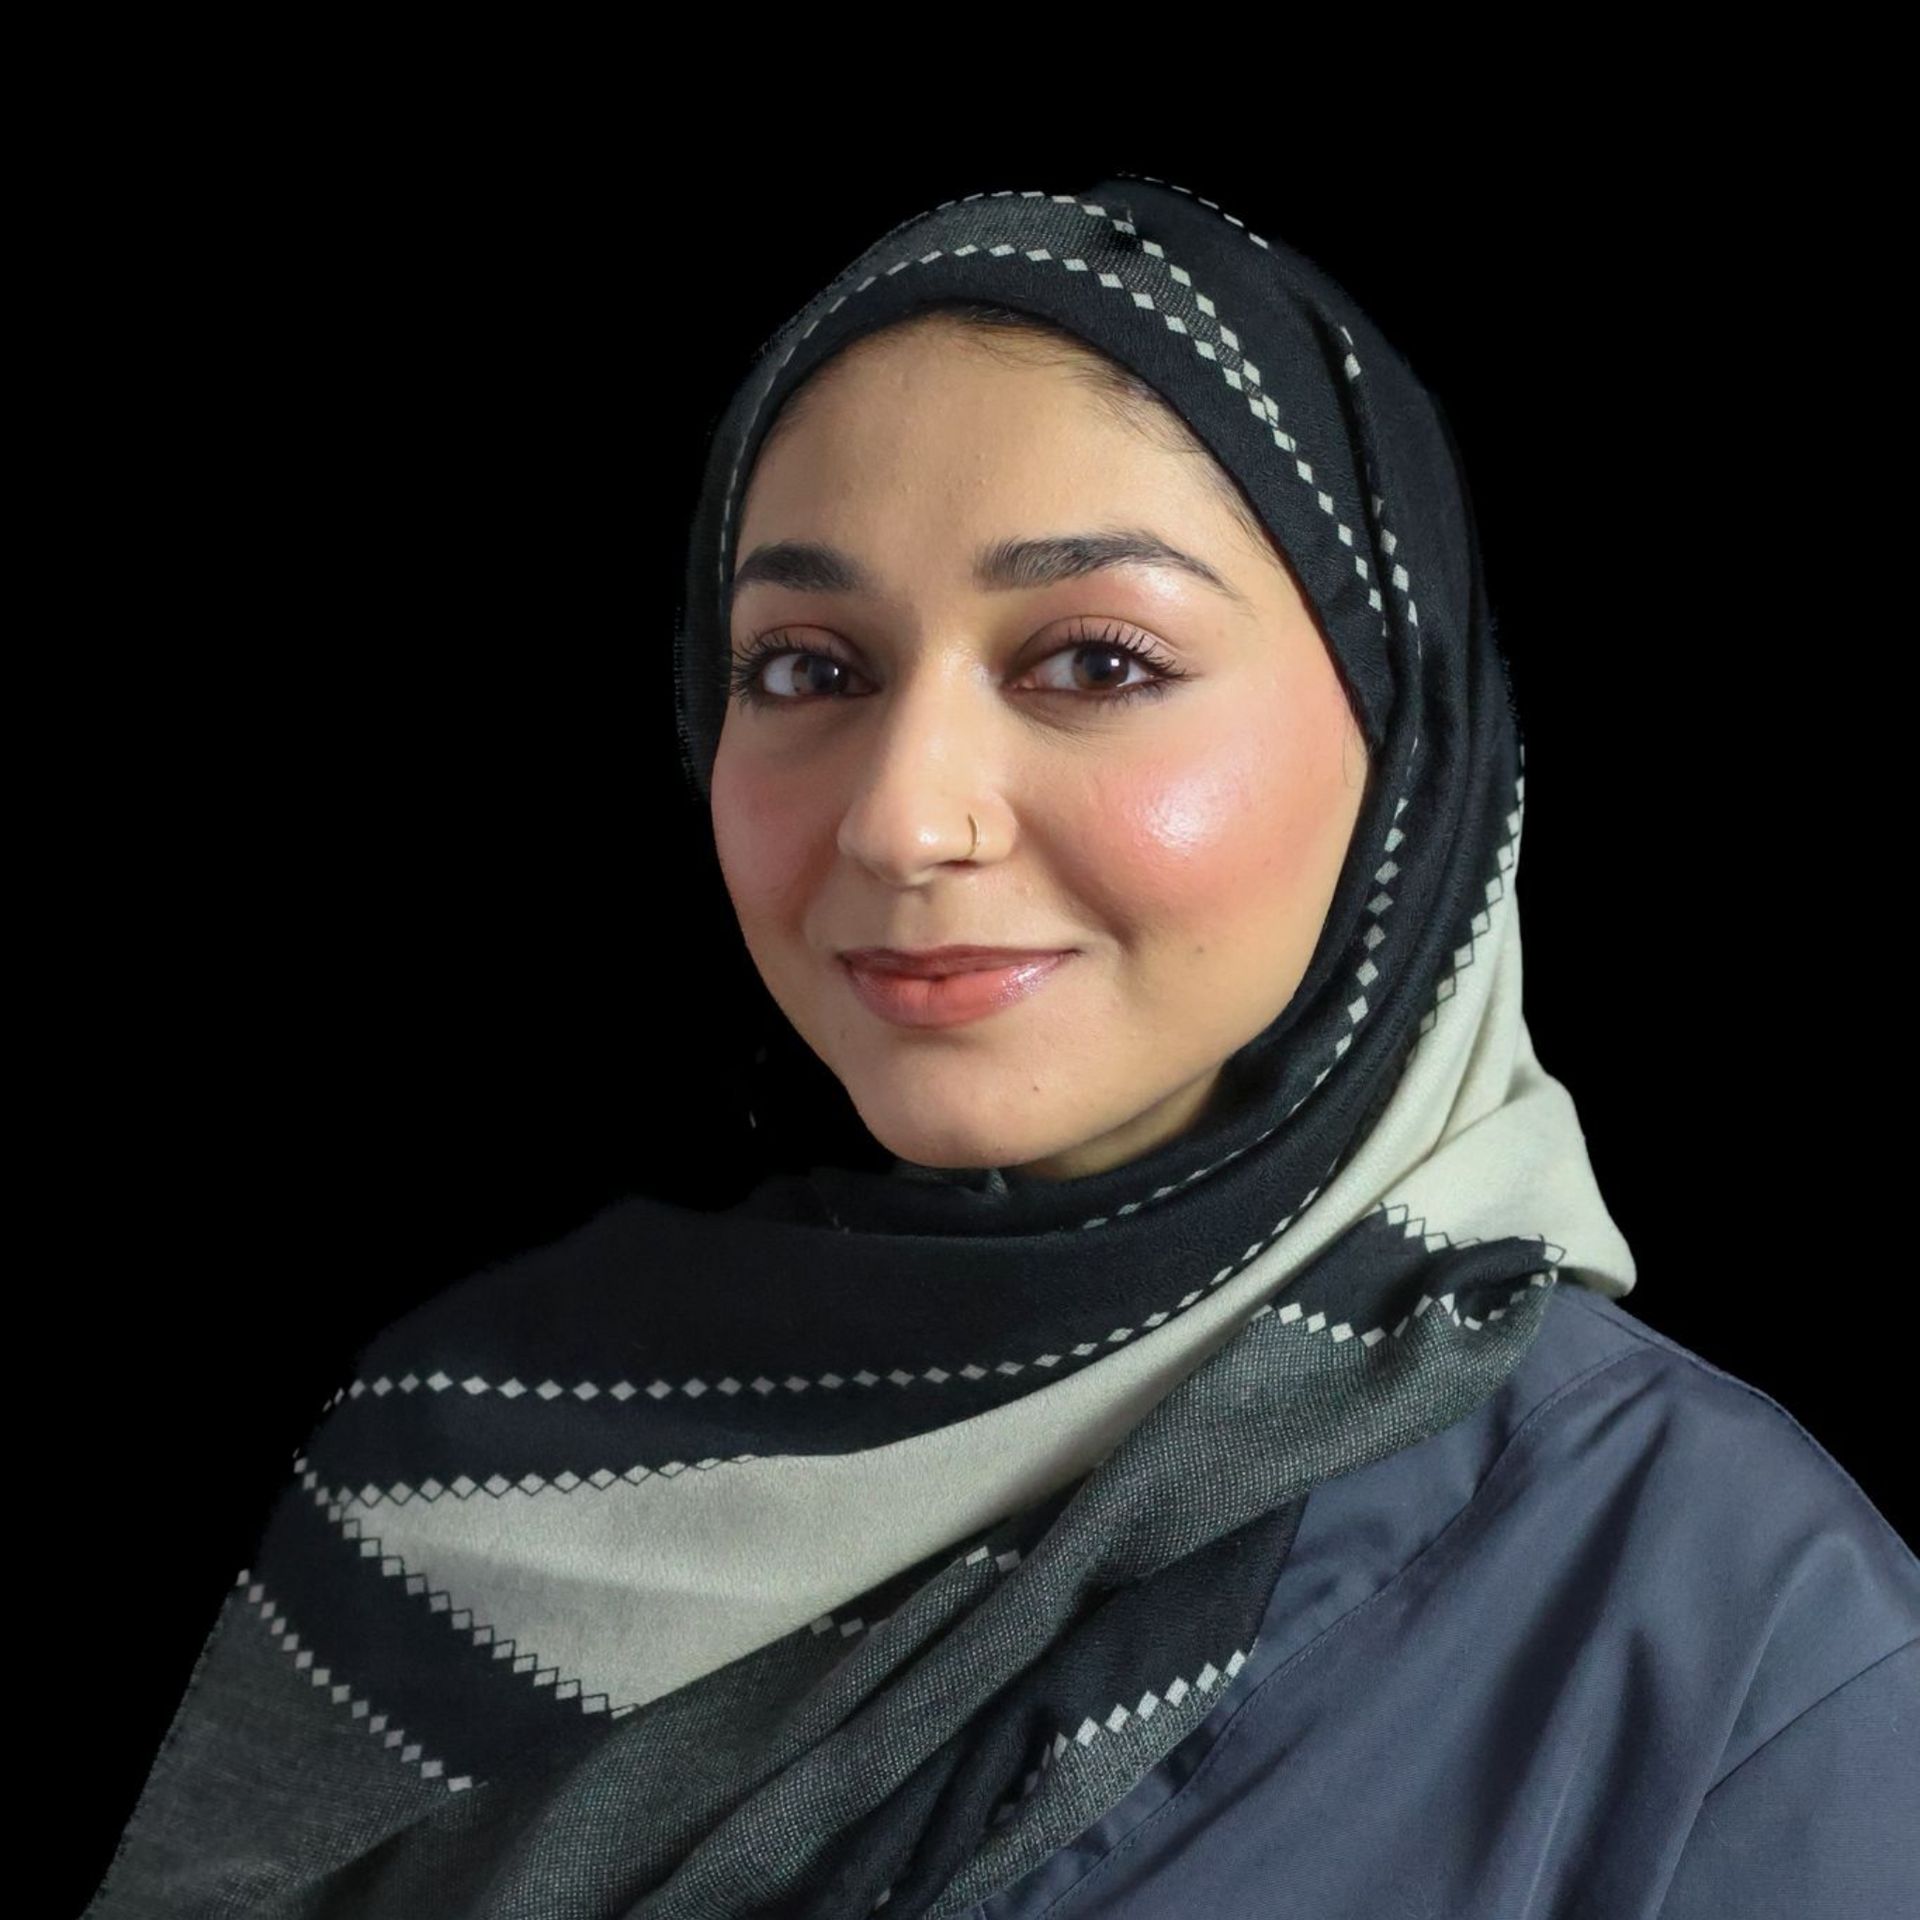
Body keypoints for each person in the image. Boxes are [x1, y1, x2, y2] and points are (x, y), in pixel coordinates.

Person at [88, 175, 1918, 1920]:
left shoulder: (1732, 1633)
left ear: (1404, 741)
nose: (901, 820)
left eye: (1096, 663)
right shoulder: (487, 1470)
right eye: (809, 667)